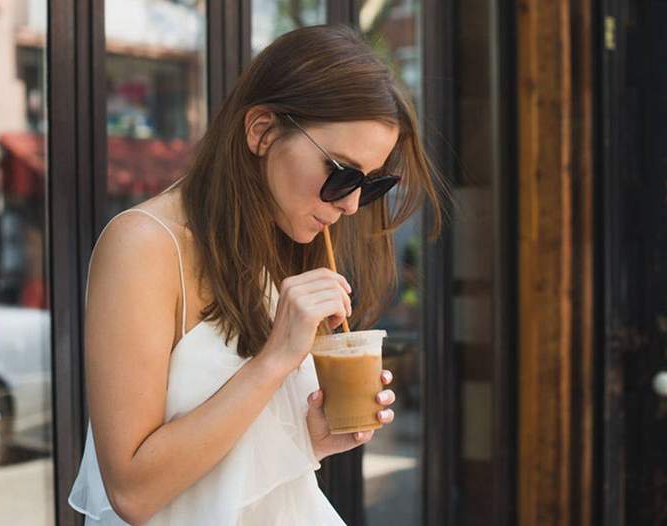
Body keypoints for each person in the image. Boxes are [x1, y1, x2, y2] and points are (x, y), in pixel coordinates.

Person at [68, 23, 445, 525]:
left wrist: (310, 438)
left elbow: (229, 468)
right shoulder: (143, 245)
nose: (352, 204)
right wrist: (276, 359)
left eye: (371, 184)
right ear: (262, 130)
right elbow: (133, 492)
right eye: (342, 173)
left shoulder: (277, 247)